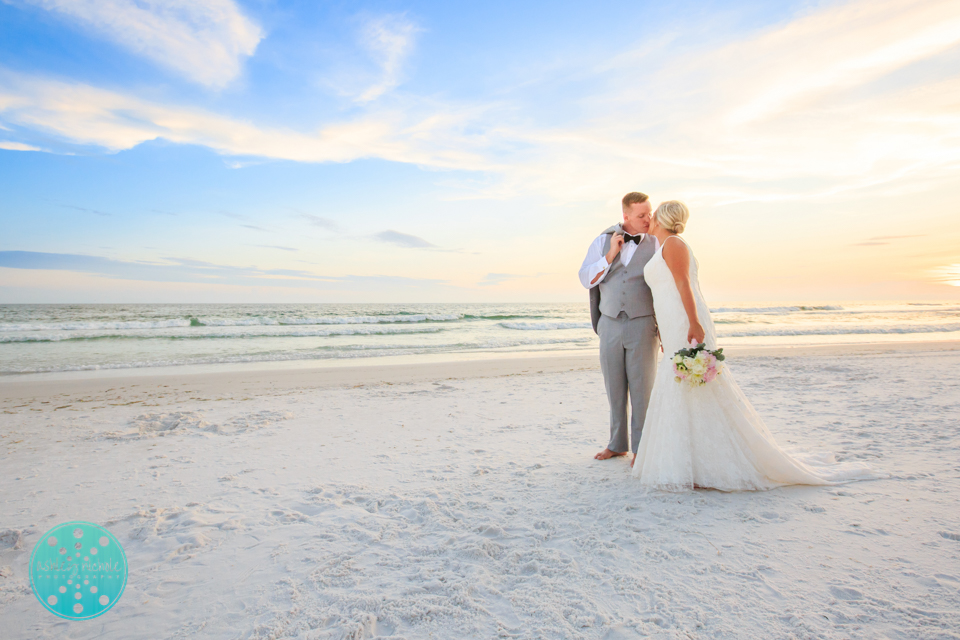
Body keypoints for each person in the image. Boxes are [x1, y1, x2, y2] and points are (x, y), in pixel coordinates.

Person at [631, 200, 878, 490]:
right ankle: (691, 461)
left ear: (662, 218)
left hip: (686, 322)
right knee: (679, 387)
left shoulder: (673, 244)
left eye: (655, 212)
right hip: (673, 324)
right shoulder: (661, 246)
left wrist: (694, 323)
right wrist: (663, 331)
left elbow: (684, 284)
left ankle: (708, 463)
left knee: (698, 387)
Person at [579, 192, 661, 462]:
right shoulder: (602, 241)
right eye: (641, 215)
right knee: (614, 388)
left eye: (649, 213)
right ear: (625, 216)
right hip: (610, 323)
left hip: (643, 323)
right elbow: (586, 278)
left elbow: (664, 285)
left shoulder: (658, 242)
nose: (648, 219)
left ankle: (641, 448)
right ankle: (617, 444)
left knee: (642, 388)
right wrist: (611, 254)